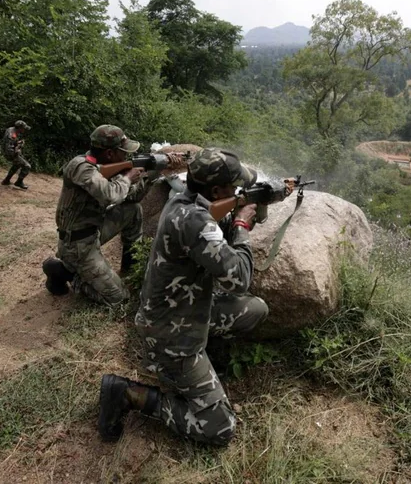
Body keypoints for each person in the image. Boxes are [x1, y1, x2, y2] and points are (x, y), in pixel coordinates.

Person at [98, 148, 283, 446]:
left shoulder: (185, 201)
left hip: (184, 308)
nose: (238, 191)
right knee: (220, 428)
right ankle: (128, 394)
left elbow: (210, 235)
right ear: (215, 189)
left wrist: (250, 202)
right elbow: (238, 279)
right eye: (233, 187)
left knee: (255, 309)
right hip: (171, 335)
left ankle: (207, 361)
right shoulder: (195, 220)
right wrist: (241, 223)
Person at [42, 124, 183, 304]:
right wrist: (127, 177)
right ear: (110, 153)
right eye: (123, 152)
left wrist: (155, 170)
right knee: (118, 299)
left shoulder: (109, 167)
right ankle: (64, 272)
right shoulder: (81, 167)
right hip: (77, 243)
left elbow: (133, 198)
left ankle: (130, 267)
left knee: (133, 211)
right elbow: (110, 195)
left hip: (95, 231)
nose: (127, 156)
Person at [1, 120, 32, 190]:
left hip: (6, 152)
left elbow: (10, 143)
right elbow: (9, 148)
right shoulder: (13, 135)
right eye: (23, 128)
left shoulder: (11, 129)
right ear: (20, 128)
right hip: (9, 153)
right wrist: (17, 151)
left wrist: (18, 143)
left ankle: (6, 180)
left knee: (17, 164)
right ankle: (19, 182)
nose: (24, 130)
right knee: (27, 166)